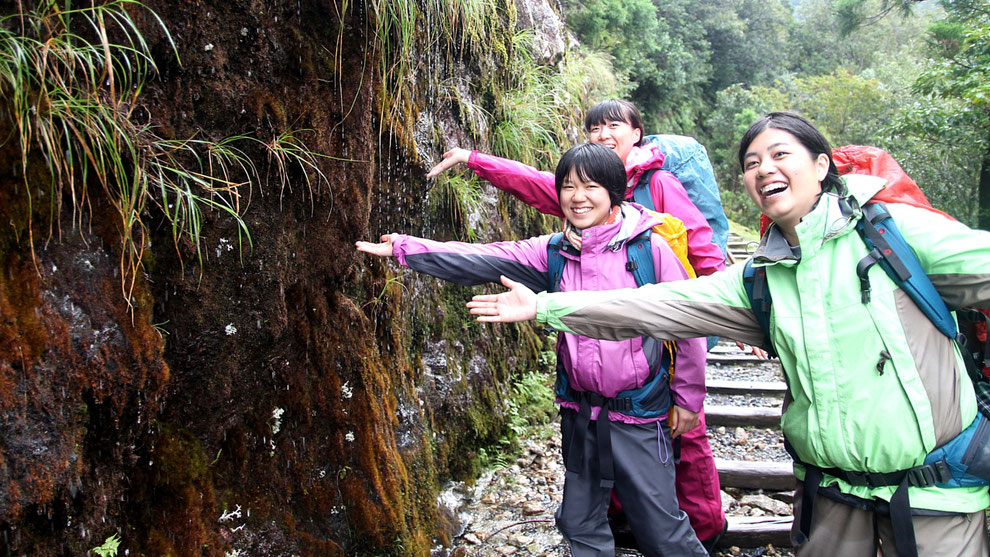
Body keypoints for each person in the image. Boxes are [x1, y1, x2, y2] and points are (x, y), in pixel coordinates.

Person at [467, 112, 990, 557]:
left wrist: (687, 391)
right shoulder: (759, 276)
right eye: (751, 163)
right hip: (829, 495)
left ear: (822, 165)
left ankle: (704, 529)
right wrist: (544, 306)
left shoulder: (894, 234)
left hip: (936, 499)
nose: (765, 170)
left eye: (780, 155)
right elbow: (654, 305)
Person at [358, 143, 709, 556]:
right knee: (580, 520)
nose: (577, 197)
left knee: (661, 528)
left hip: (637, 413)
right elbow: (483, 258)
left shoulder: (649, 250)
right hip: (580, 412)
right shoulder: (554, 251)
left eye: (590, 186)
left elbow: (689, 324)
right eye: (568, 187)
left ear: (615, 191)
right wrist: (405, 248)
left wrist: (688, 397)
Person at [427, 98, 729, 548]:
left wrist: (731, 310)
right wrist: (473, 159)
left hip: (659, 351)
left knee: (686, 443)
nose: (604, 133)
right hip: (591, 379)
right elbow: (532, 183)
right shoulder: (583, 193)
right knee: (603, 466)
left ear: (637, 133)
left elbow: (700, 245)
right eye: (595, 127)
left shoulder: (660, 185)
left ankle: (704, 531)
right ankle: (627, 521)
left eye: (614, 125)